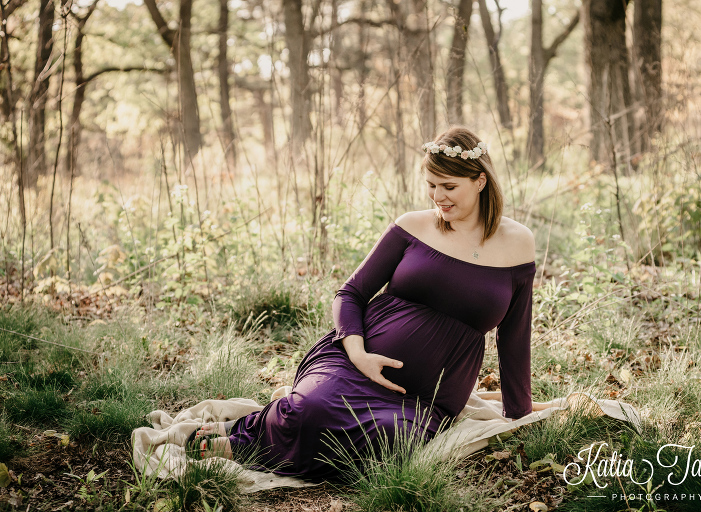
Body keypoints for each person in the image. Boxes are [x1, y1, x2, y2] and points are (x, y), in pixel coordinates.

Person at [187, 126, 536, 481]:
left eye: (448, 187)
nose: (437, 197)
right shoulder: (413, 227)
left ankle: (271, 428)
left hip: (422, 396)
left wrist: (519, 412)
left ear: (479, 181)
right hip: (353, 360)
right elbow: (350, 293)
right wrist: (359, 354)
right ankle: (248, 438)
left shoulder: (517, 244)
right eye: (431, 185)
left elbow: (514, 339)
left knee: (386, 444)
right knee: (311, 409)